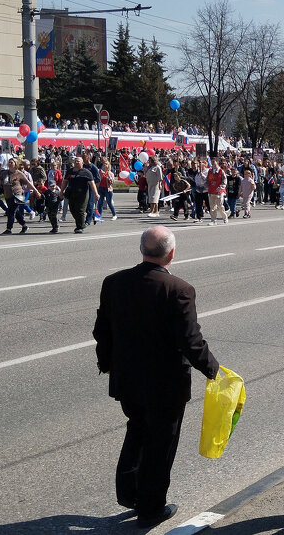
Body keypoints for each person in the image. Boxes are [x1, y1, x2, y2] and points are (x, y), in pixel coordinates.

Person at [93, 226, 221, 528]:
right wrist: (214, 371)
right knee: (160, 443)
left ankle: (129, 493)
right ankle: (151, 508)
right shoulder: (179, 289)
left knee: (137, 429)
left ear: (142, 250)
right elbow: (190, 342)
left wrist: (107, 363)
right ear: (171, 253)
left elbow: (102, 330)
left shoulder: (114, 282)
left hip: (127, 378)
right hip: (165, 383)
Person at [65, 156, 100, 234]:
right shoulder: (70, 171)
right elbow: (65, 181)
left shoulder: (87, 172)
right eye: (75, 161)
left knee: (80, 210)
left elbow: (92, 183)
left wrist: (96, 193)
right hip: (72, 193)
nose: (76, 162)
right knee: (72, 210)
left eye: (78, 161)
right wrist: (61, 191)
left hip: (83, 194)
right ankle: (84, 221)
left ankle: (79, 227)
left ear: (82, 163)